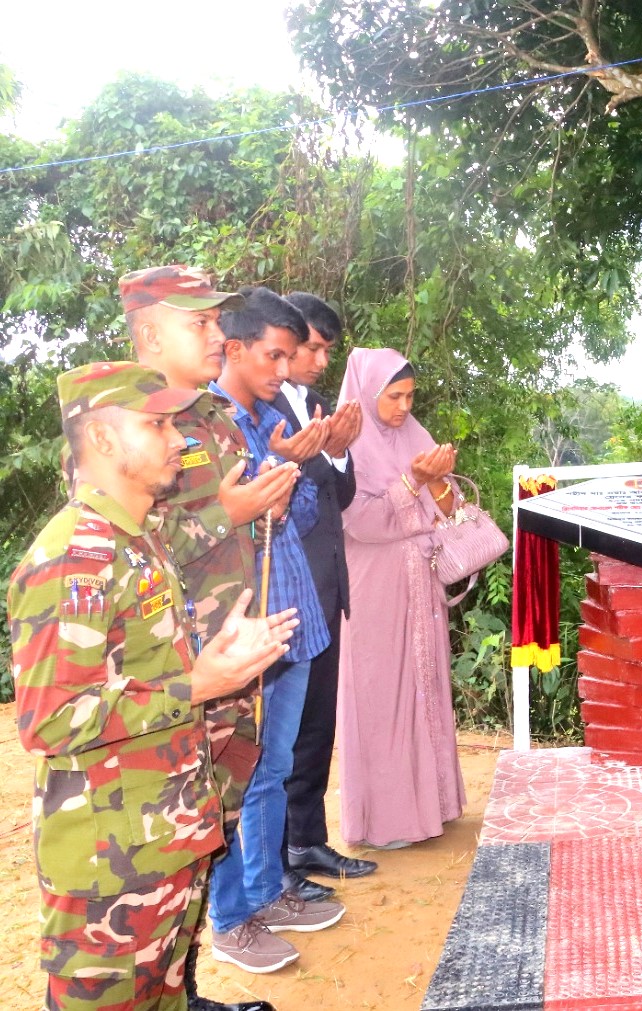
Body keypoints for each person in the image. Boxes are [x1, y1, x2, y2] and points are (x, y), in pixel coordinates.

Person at [9, 361, 295, 1011]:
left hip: (166, 839)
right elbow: (49, 718)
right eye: (159, 424)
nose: (179, 439)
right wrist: (195, 684)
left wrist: (214, 662)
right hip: (109, 870)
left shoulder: (140, 538)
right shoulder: (75, 554)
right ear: (103, 439)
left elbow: (145, 669)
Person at [118, 264, 297, 1011]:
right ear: (151, 331)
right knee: (165, 843)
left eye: (217, 320)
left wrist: (264, 507)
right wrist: (230, 511)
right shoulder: (122, 419)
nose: (218, 334)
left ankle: (185, 989)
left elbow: (226, 515)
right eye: (200, 323)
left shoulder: (213, 417)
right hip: (175, 671)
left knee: (210, 828)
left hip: (229, 655)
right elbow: (130, 545)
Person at [207, 288, 343, 974]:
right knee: (245, 771)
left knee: (275, 765)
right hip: (248, 624)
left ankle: (268, 890)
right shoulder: (213, 424)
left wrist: (295, 466)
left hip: (291, 611)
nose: (285, 368)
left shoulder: (261, 417)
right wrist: (267, 482)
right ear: (232, 348)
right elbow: (214, 528)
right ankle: (233, 914)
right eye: (275, 355)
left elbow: (300, 509)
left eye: (292, 356)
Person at [336, 348, 467, 846]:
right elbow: (360, 522)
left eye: (410, 396)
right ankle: (385, 822)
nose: (404, 407)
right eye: (394, 396)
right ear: (369, 394)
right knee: (381, 694)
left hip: (420, 582)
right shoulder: (347, 441)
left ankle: (434, 806)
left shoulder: (416, 436)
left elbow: (449, 508)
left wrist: (435, 478)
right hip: (373, 588)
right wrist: (414, 480)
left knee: (425, 685)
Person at [276, 292, 377, 898]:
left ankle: (306, 838)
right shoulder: (254, 411)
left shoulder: (316, 406)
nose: (318, 360)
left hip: (326, 589)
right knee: (280, 733)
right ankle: (278, 860)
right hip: (286, 593)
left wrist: (337, 450)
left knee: (316, 725)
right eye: (311, 346)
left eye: (325, 350)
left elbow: (339, 500)